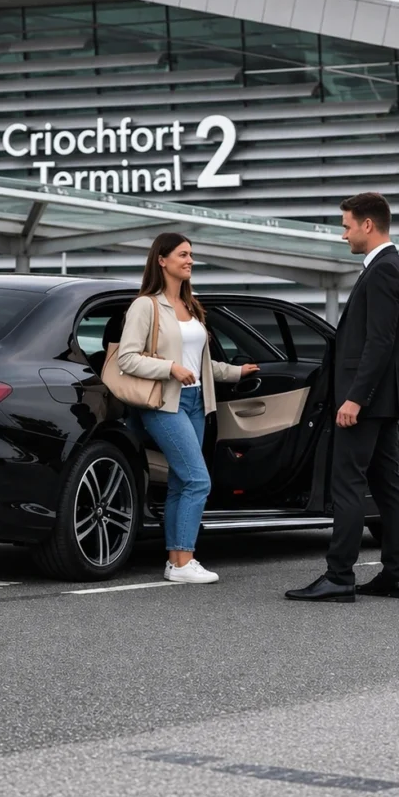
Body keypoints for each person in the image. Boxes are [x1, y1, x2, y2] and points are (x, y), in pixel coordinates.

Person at [286, 192, 399, 603]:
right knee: (388, 486)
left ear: (368, 225)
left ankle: (339, 576)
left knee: (347, 484)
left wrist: (355, 399)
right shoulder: (390, 268)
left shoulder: (383, 272)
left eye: (346, 226)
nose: (343, 235)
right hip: (385, 399)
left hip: (368, 402)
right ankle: (396, 576)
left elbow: (379, 343)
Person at [118, 232, 259, 584]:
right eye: (183, 254)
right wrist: (170, 369)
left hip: (197, 401)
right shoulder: (145, 305)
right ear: (162, 260)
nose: (190, 260)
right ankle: (184, 561)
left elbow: (200, 364)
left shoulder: (191, 306)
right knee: (198, 480)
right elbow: (127, 358)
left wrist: (236, 372)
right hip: (164, 403)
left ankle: (176, 561)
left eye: (191, 254)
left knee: (183, 481)